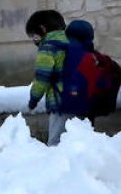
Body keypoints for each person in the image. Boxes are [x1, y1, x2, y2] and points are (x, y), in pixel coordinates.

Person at [25, 10, 95, 146]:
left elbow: (42, 78)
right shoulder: (75, 42)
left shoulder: (48, 47)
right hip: (84, 100)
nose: (35, 41)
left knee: (56, 145)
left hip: (62, 102)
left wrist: (33, 99)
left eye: (34, 36)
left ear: (43, 29)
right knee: (81, 145)